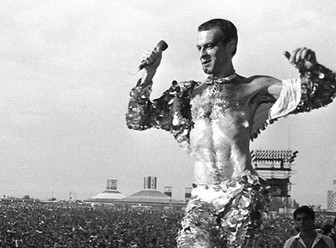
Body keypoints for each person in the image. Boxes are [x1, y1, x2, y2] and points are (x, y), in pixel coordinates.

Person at [126, 18, 336, 247]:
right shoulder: (186, 95)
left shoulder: (253, 88)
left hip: (240, 196)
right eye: (199, 48)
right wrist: (149, 74)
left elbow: (321, 93)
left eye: (210, 46)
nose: (203, 54)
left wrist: (313, 71)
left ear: (231, 46)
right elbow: (137, 119)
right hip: (202, 199)